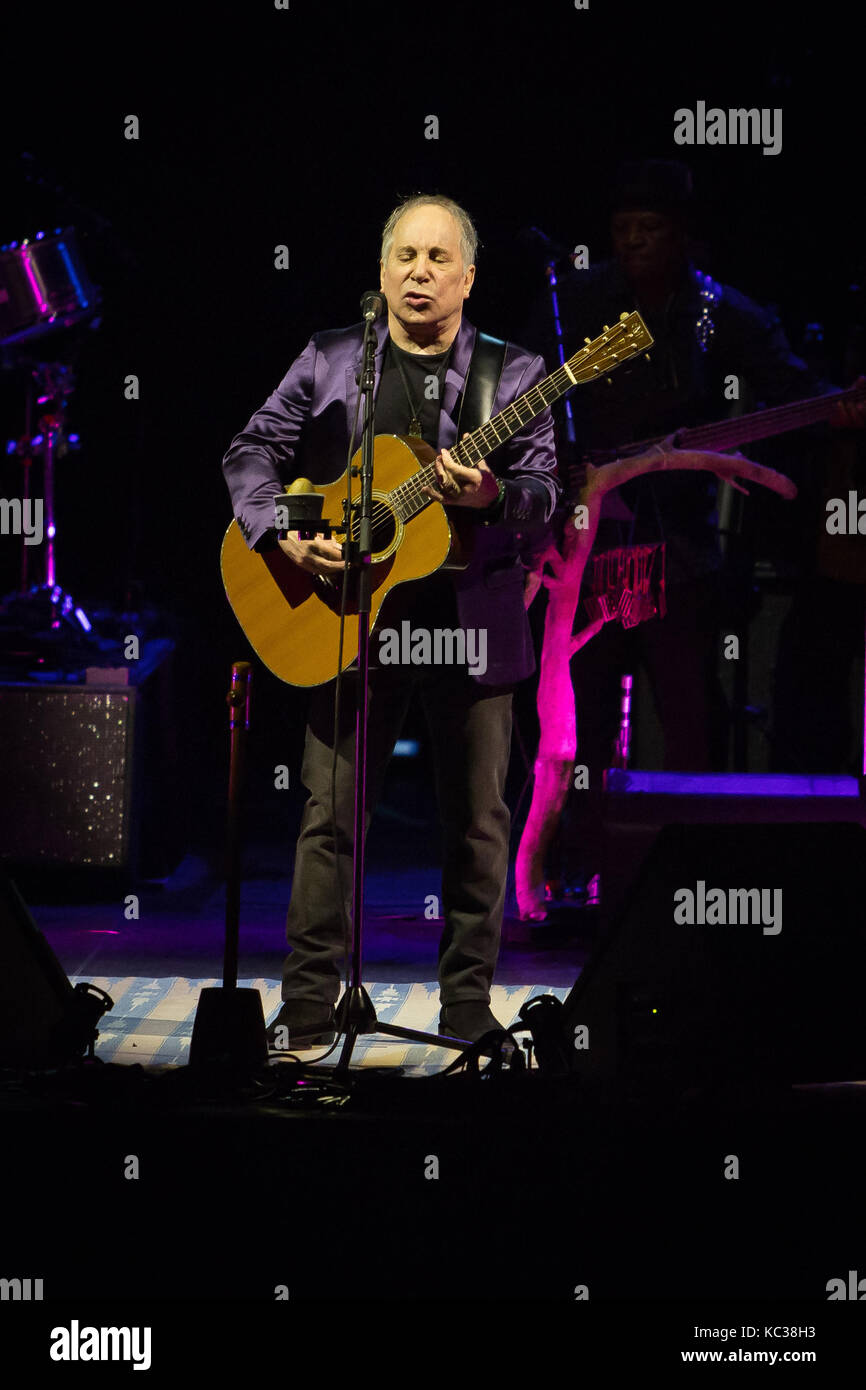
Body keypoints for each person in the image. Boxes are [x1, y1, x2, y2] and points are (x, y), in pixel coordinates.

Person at [222, 194, 560, 1045]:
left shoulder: (514, 377)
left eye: (439, 258)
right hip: (347, 619)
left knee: (478, 826)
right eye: (405, 256)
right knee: (328, 816)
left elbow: (545, 496)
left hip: (470, 622)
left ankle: (466, 1010)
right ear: (381, 274)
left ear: (469, 277)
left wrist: (489, 494)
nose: (420, 272)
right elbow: (252, 452)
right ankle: (306, 1011)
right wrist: (289, 534)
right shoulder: (334, 359)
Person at [525, 159, 864, 886]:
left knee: (687, 709)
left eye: (649, 230)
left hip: (679, 542)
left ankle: (695, 871)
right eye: (622, 230)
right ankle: (583, 870)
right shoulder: (583, 303)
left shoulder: (723, 313)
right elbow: (539, 396)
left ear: (682, 237)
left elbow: (793, 391)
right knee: (578, 711)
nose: (635, 243)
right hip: (593, 533)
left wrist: (835, 408)